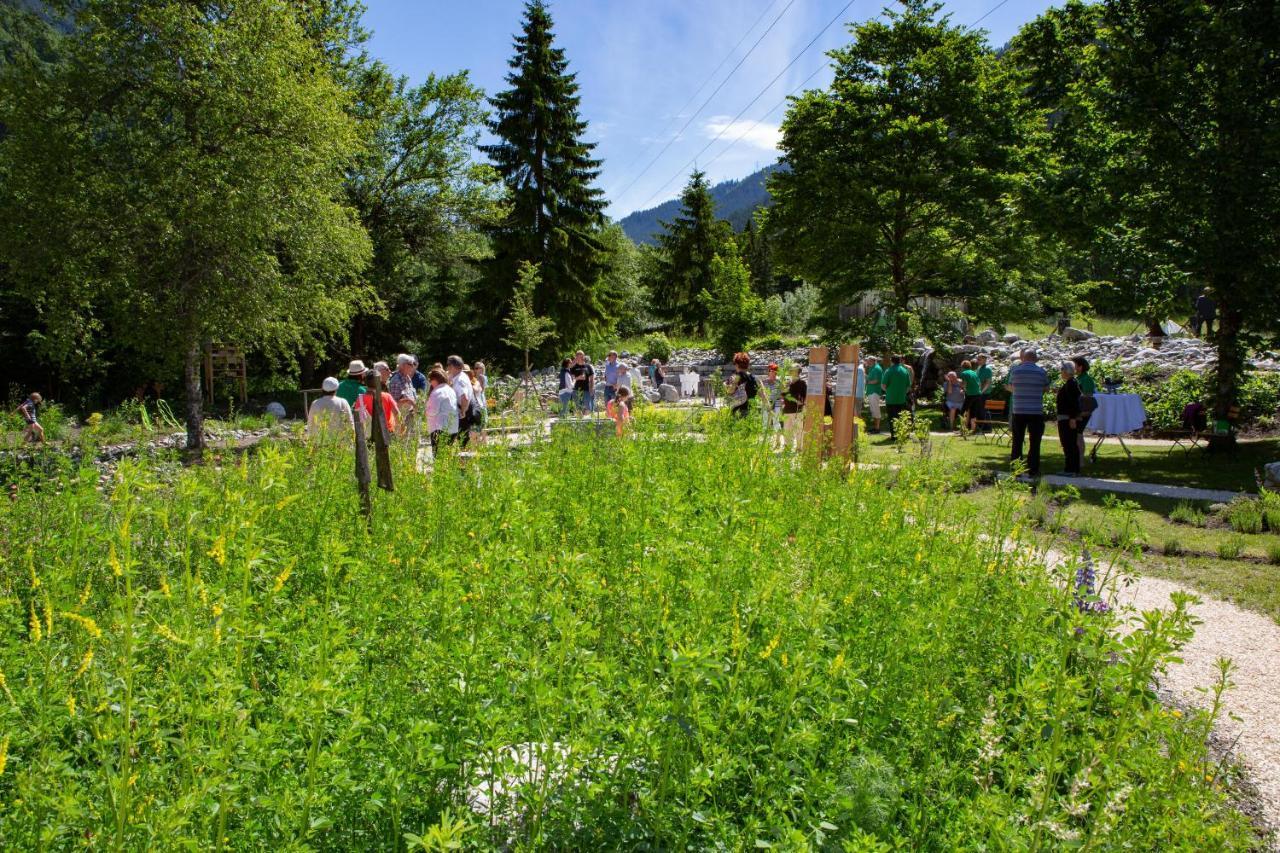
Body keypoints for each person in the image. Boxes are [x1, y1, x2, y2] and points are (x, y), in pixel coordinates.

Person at [1008, 348, 1051, 477]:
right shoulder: (1041, 372)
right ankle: (1033, 470)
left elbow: (1011, 387)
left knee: (1017, 441)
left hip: (1019, 410)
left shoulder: (1015, 371)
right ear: (1035, 358)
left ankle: (1016, 470)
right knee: (1035, 442)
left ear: (1023, 358)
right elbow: (1046, 388)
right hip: (1035, 411)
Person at [1056, 361, 1083, 476]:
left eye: (1062, 370)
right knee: (1070, 443)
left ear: (1066, 371)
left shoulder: (1071, 384)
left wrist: (1072, 418)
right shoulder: (1071, 383)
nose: (1061, 372)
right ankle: (1073, 469)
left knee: (1068, 443)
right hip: (1066, 417)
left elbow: (1074, 403)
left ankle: (1070, 469)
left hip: (1067, 418)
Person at [425, 368, 459, 455]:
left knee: (438, 456)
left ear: (435, 380)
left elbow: (433, 411)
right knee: (448, 455)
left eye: (430, 380)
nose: (430, 383)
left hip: (440, 428)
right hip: (452, 427)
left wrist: (426, 410)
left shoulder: (437, 392)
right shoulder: (450, 390)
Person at [1072, 356, 1096, 464]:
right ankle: (1077, 459)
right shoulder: (1078, 379)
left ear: (1080, 367)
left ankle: (1080, 461)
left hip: (1082, 412)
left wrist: (1082, 413)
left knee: (1078, 434)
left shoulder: (1086, 379)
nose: (1072, 367)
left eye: (1074, 365)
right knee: (1076, 435)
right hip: (1076, 411)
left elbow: (1088, 397)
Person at [881, 355, 912, 439]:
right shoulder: (905, 371)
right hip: (902, 399)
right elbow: (908, 386)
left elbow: (883, 385)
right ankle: (902, 434)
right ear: (900, 361)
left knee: (892, 417)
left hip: (891, 399)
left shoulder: (889, 371)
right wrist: (903, 393)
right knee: (901, 417)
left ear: (892, 361)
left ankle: (894, 436)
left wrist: (889, 391)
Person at [446, 355, 474, 446]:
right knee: (460, 438)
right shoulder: (459, 376)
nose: (448, 367)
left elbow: (464, 397)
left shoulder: (460, 380)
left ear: (454, 366)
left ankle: (462, 459)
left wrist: (463, 411)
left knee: (460, 439)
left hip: (461, 412)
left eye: (449, 365)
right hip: (460, 410)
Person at [389, 354, 418, 435]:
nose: (413, 366)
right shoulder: (395, 381)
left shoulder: (407, 378)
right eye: (411, 364)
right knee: (403, 441)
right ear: (403, 365)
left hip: (410, 414)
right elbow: (394, 403)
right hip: (401, 416)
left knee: (411, 439)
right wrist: (409, 401)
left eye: (414, 364)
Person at [726, 352, 759, 419]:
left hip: (737, 410)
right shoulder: (753, 378)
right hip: (751, 410)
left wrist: (725, 385)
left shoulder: (735, 377)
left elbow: (729, 391)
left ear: (737, 364)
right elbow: (761, 393)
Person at [781, 366, 807, 450]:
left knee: (798, 429)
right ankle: (788, 446)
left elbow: (804, 396)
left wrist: (801, 404)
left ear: (797, 372)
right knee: (787, 429)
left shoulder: (802, 383)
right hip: (787, 409)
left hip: (797, 410)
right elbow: (783, 394)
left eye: (792, 370)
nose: (790, 371)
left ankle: (799, 447)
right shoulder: (788, 383)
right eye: (790, 370)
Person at [959, 359, 983, 432]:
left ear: (962, 366)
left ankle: (962, 429)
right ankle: (973, 430)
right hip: (978, 395)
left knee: (963, 412)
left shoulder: (964, 373)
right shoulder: (974, 373)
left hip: (970, 395)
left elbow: (964, 384)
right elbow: (979, 384)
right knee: (973, 413)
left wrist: (962, 388)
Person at [569, 350, 594, 414]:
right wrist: (578, 378)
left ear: (583, 356)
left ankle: (587, 421)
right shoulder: (573, 367)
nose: (580, 358)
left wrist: (591, 389)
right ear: (576, 357)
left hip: (586, 389)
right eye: (578, 356)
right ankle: (579, 422)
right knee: (578, 408)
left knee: (587, 407)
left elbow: (592, 379)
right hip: (576, 390)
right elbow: (571, 379)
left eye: (581, 356)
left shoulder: (588, 367)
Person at [466, 365, 487, 442]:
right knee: (474, 430)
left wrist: (468, 385)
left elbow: (476, 389)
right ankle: (476, 446)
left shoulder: (476, 381)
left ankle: (482, 445)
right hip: (472, 408)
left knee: (480, 428)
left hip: (479, 407)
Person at [864, 356, 883, 433]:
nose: (867, 362)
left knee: (876, 410)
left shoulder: (876, 368)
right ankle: (875, 427)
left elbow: (876, 381)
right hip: (871, 391)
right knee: (873, 410)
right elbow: (869, 377)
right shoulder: (872, 368)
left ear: (872, 361)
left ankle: (877, 428)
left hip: (874, 392)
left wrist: (867, 382)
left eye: (868, 361)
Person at [761, 363, 781, 430]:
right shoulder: (764, 382)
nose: (772, 372)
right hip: (767, 403)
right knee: (765, 422)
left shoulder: (779, 381)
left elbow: (782, 393)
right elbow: (762, 393)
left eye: (773, 371)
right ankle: (766, 439)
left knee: (776, 422)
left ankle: (777, 440)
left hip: (777, 403)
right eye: (770, 370)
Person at [976, 353, 993, 427]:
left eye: (979, 359)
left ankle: (986, 427)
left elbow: (988, 383)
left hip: (985, 393)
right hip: (978, 393)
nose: (978, 361)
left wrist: (981, 392)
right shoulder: (979, 368)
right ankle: (980, 427)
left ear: (984, 360)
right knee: (979, 410)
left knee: (984, 411)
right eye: (977, 359)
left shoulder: (988, 369)